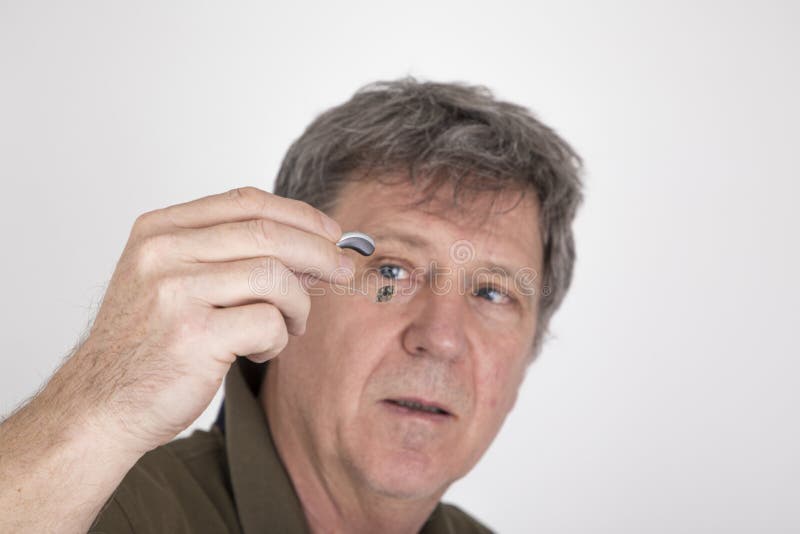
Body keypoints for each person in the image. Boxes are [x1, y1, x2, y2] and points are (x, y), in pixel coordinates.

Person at [0, 78, 584, 533]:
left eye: (491, 292)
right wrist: (102, 404)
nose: (443, 337)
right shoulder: (104, 515)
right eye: (391, 270)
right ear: (283, 287)